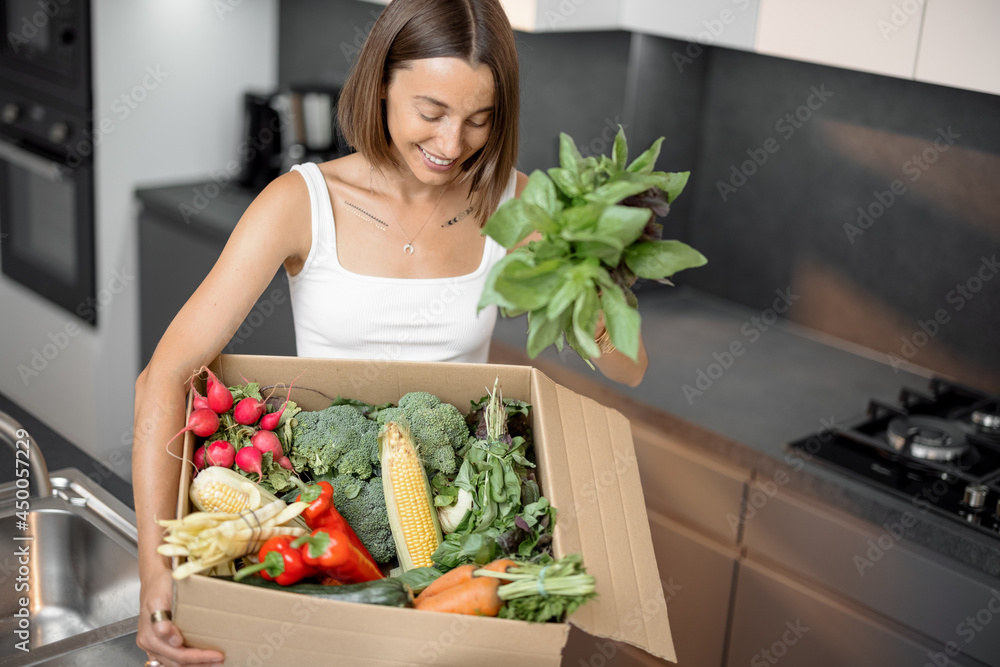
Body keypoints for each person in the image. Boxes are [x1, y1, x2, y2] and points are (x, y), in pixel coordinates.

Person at [133, 0, 648, 664]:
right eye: (430, 113)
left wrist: (595, 275)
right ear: (381, 86)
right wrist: (155, 572)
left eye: (478, 120)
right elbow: (166, 376)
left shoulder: (514, 207)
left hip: (455, 535)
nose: (452, 144)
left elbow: (627, 367)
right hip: (321, 514)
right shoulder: (301, 202)